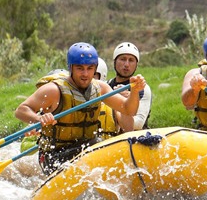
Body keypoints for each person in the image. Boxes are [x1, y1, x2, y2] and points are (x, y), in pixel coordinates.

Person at [15, 43, 146, 176]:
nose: (85, 74)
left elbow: (128, 110)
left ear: (95, 68)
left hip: (86, 147)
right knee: (92, 152)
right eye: (80, 68)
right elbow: (21, 110)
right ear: (71, 68)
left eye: (90, 68)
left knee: (102, 145)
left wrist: (135, 92)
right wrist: (38, 118)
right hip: (55, 154)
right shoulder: (54, 90)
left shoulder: (100, 88)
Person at [107, 42, 152, 131]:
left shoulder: (142, 88)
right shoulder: (106, 85)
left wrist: (121, 102)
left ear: (136, 65)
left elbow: (138, 124)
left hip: (136, 139)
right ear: (115, 61)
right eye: (123, 59)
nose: (126, 64)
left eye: (131, 60)